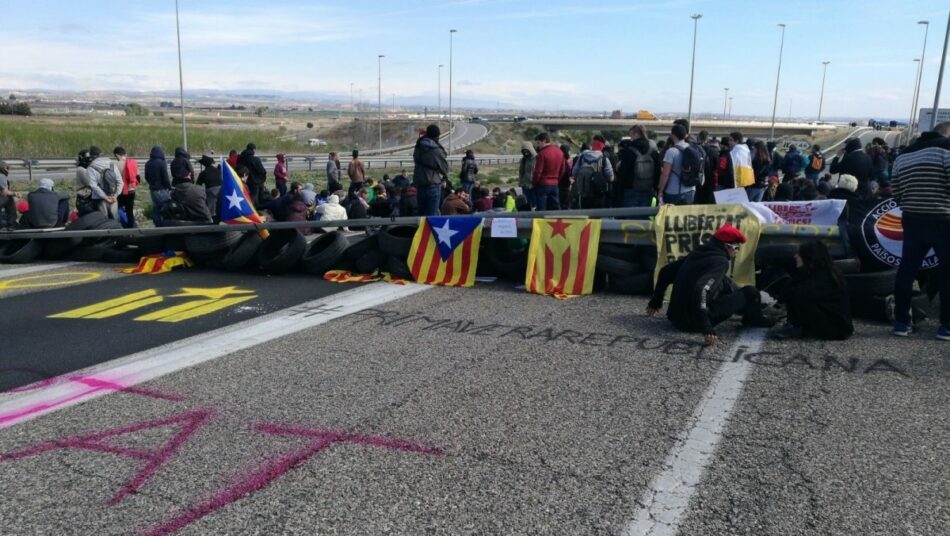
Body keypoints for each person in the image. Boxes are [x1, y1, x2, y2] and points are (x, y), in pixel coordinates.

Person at [647, 224, 774, 346]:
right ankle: (753, 317)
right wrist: (707, 327)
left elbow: (665, 272)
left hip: (675, 318)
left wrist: (656, 300)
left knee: (724, 281)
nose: (737, 251)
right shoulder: (721, 262)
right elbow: (700, 290)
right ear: (727, 246)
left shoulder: (699, 252)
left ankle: (749, 308)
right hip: (692, 323)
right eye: (737, 247)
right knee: (750, 292)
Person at [890, 121, 950, 340]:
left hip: (912, 219)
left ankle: (901, 323)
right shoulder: (947, 149)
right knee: (947, 274)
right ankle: (946, 327)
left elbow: (895, 191)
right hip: (944, 219)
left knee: (907, 270)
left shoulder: (903, 155)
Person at [769, 241, 854, 340]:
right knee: (797, 293)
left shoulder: (824, 278)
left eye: (800, 254)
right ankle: (797, 326)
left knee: (800, 297)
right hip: (833, 325)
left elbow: (793, 294)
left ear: (809, 257)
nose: (796, 256)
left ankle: (797, 327)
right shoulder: (816, 273)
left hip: (837, 331)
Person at [412, 124, 449, 216]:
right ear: (437, 136)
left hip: (420, 182)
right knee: (431, 215)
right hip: (432, 183)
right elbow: (445, 169)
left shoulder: (418, 146)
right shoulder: (437, 151)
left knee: (421, 213)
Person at [656, 124, 695, 206]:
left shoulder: (671, 151)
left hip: (674, 192)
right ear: (685, 135)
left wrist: (660, 191)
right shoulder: (692, 148)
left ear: (672, 135)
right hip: (691, 190)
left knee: (672, 218)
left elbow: (665, 174)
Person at [572, 136, 615, 209]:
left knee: (585, 216)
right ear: (602, 146)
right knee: (597, 217)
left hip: (583, 193)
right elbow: (611, 178)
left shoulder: (582, 157)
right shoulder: (604, 159)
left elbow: (574, 172)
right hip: (598, 194)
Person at [531, 132, 565, 211]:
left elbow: (538, 172)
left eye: (538, 143)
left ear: (544, 141)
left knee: (541, 209)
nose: (538, 146)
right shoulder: (560, 152)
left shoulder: (542, 153)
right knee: (556, 207)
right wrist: (556, 179)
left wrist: (534, 183)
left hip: (543, 184)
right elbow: (562, 170)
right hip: (555, 184)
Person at [85, 146, 120, 218]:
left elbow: (93, 186)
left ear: (92, 156)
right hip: (113, 198)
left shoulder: (90, 168)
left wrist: (105, 197)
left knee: (102, 223)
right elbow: (120, 182)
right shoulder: (112, 164)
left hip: (99, 200)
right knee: (115, 222)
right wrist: (115, 195)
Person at [144, 146, 172, 226]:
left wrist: (151, 183)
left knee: (156, 207)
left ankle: (157, 225)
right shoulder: (162, 162)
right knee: (165, 207)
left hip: (152, 190)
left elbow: (146, 177)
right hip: (161, 189)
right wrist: (169, 187)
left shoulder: (147, 163)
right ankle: (165, 226)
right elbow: (165, 177)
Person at [113, 147, 139, 228]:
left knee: (116, 209)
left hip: (122, 191)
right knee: (129, 211)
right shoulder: (133, 162)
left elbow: (114, 180)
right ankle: (131, 229)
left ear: (117, 155)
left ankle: (119, 227)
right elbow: (138, 177)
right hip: (132, 191)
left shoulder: (116, 164)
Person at [195, 155, 221, 222]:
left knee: (211, 212)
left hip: (210, 193)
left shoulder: (203, 173)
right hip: (221, 192)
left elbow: (198, 185)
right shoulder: (218, 171)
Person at [0, 161, 20, 230]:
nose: (9, 170)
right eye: (7, 168)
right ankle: (12, 224)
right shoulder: (1, 176)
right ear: (3, 168)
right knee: (9, 200)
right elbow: (4, 193)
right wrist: (15, 193)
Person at [518, 141, 537, 208]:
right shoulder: (524, 160)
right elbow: (521, 172)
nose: (526, 153)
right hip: (525, 184)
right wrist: (520, 182)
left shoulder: (537, 158)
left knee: (534, 202)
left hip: (534, 184)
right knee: (527, 202)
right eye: (524, 151)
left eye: (527, 151)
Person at [557, 144, 573, 210]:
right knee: (565, 204)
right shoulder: (564, 161)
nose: (570, 153)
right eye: (569, 151)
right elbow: (567, 172)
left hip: (561, 184)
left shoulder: (560, 160)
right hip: (564, 185)